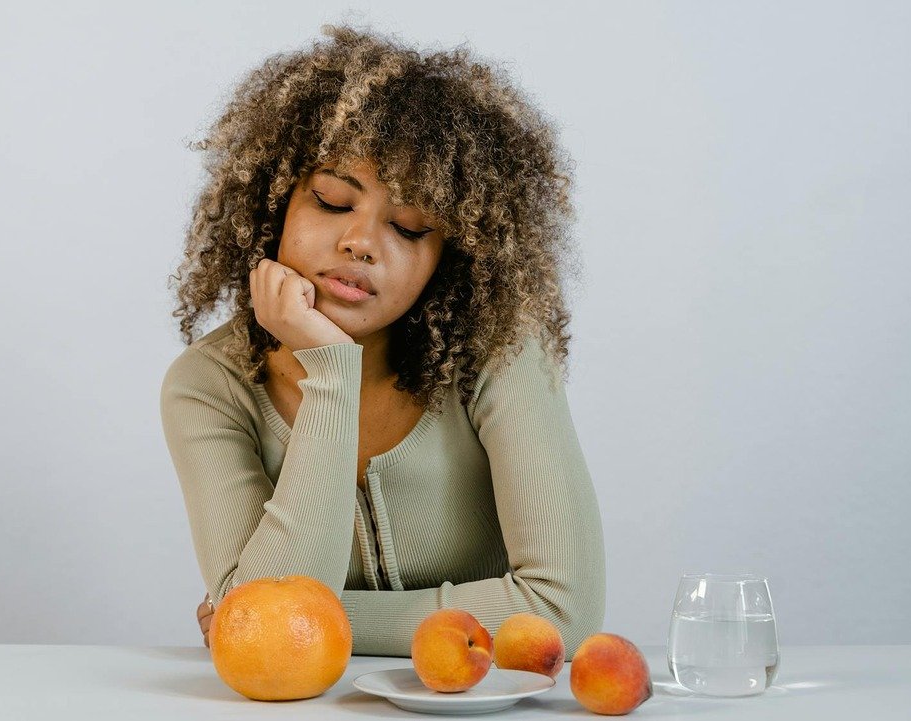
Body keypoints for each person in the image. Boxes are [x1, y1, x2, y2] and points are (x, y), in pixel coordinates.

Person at [161, 23, 605, 658]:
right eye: (334, 201)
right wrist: (331, 372)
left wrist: (305, 617)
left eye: (409, 225)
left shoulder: (500, 357)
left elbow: (565, 611)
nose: (362, 242)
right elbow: (266, 641)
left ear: (449, 257)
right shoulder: (210, 385)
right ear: (273, 205)